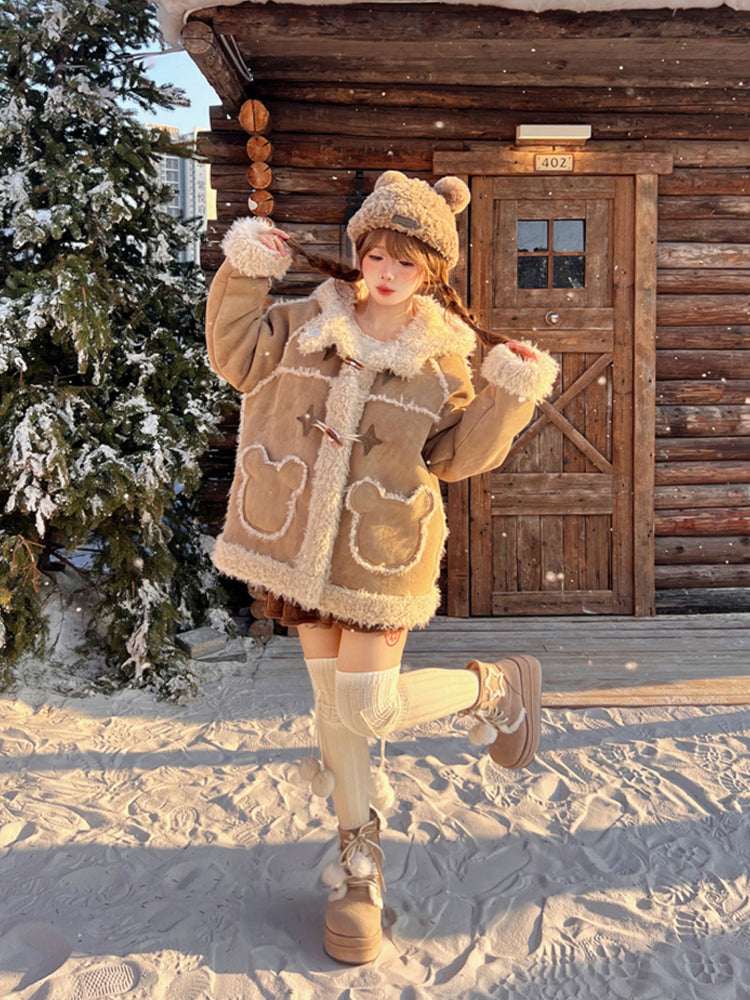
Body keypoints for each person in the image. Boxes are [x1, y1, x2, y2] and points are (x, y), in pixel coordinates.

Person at [205, 170, 559, 965]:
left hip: (379, 553)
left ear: (432, 270)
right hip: (296, 546)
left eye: (407, 260)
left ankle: (494, 689)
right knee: (336, 718)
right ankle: (358, 873)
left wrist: (508, 394)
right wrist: (248, 270)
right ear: (359, 251)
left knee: (367, 709)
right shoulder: (304, 322)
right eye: (377, 254)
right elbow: (233, 353)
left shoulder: (443, 359)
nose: (388, 272)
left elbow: (456, 456)